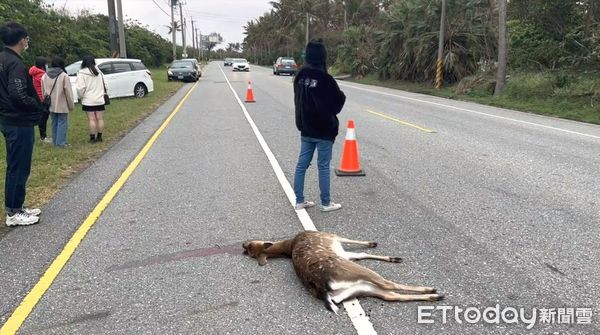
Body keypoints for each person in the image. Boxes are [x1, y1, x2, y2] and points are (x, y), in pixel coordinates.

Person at [293, 39, 346, 212]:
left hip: (305, 128)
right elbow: (336, 105)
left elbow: (298, 101)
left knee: (302, 165)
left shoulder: (300, 76)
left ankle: (299, 200)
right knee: (323, 166)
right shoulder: (325, 79)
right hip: (323, 130)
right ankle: (325, 203)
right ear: (323, 57)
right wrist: (342, 96)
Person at [0, 22, 45, 226]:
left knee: (15, 164)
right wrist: (37, 106)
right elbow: (17, 93)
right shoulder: (15, 64)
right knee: (19, 166)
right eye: (26, 39)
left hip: (7, 118)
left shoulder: (3, 59)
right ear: (21, 40)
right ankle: (13, 212)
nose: (27, 42)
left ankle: (17, 205)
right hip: (18, 121)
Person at [41, 56, 74, 147]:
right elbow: (68, 92)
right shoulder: (63, 76)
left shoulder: (45, 75)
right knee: (62, 122)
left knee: (54, 122)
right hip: (61, 103)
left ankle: (55, 142)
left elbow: (43, 90)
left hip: (50, 102)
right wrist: (71, 104)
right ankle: (61, 143)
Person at [75, 55, 107, 143]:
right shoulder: (99, 72)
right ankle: (100, 137)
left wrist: (80, 97)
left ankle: (92, 138)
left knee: (91, 119)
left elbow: (80, 88)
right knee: (100, 118)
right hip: (100, 99)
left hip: (88, 100)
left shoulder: (81, 73)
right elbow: (105, 85)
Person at [29, 56, 51, 143]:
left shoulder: (33, 72)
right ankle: (43, 136)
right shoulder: (41, 75)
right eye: (46, 64)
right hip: (42, 98)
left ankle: (43, 135)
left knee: (41, 117)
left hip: (36, 97)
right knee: (43, 117)